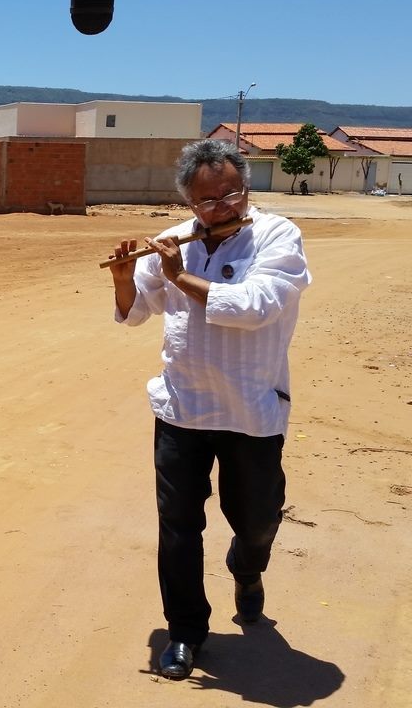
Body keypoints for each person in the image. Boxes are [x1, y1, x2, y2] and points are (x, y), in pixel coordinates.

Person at [106, 138, 311, 681]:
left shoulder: (277, 236)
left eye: (232, 193)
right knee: (178, 526)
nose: (223, 207)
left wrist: (179, 276)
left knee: (258, 520)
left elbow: (255, 307)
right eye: (208, 200)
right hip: (183, 406)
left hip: (251, 409)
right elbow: (135, 314)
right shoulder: (176, 241)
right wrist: (125, 281)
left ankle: (247, 567)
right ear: (189, 202)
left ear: (246, 188)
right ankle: (184, 631)